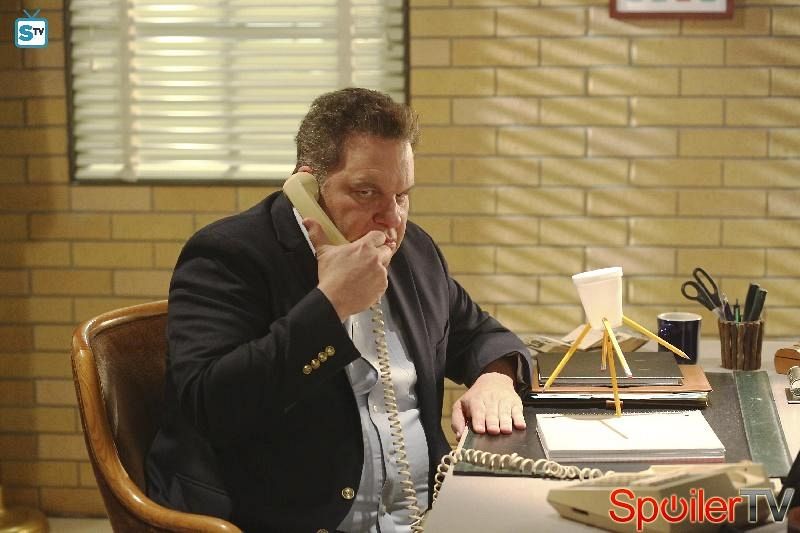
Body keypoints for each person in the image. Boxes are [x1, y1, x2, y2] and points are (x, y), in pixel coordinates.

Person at [145, 87, 531, 533]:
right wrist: (331, 307)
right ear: (307, 187)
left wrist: (497, 377)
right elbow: (211, 405)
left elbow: (482, 334)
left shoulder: (415, 252)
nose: (393, 219)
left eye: (402, 195)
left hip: (426, 517)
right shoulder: (229, 255)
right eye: (367, 192)